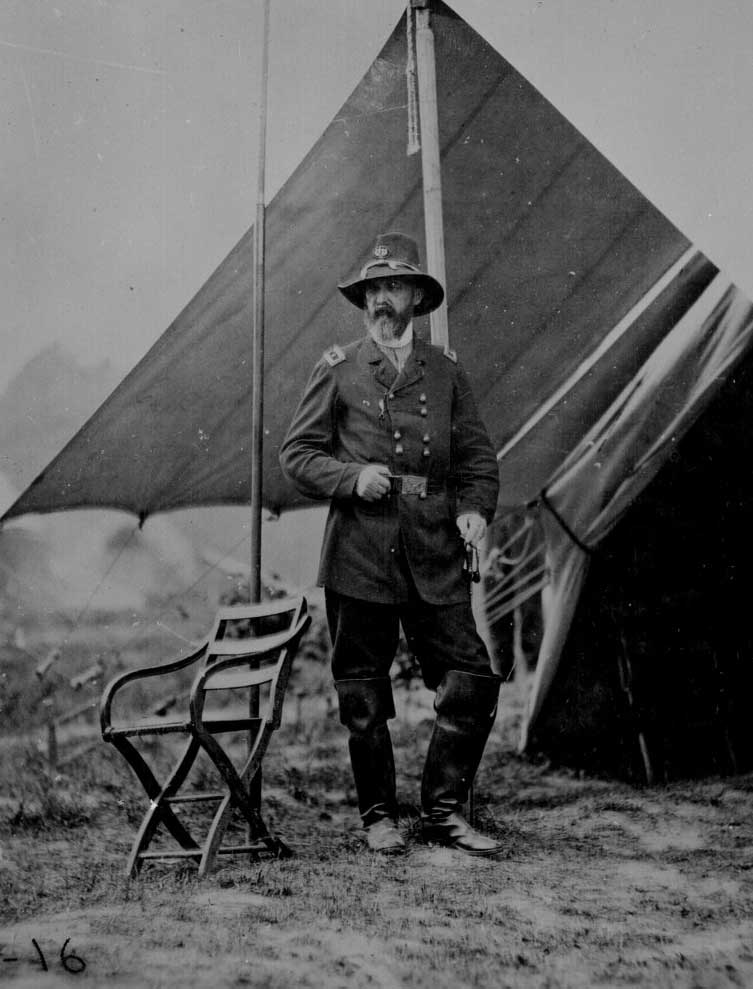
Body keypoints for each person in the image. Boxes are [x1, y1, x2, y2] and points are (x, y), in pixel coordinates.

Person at [279, 232, 502, 856]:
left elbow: (478, 460)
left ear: (416, 298)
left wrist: (473, 512)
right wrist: (352, 478)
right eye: (373, 289)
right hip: (360, 550)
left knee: (471, 677)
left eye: (393, 287)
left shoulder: (446, 371)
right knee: (363, 688)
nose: (382, 299)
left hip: (433, 547)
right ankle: (379, 817)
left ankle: (443, 813)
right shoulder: (338, 367)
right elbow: (296, 455)